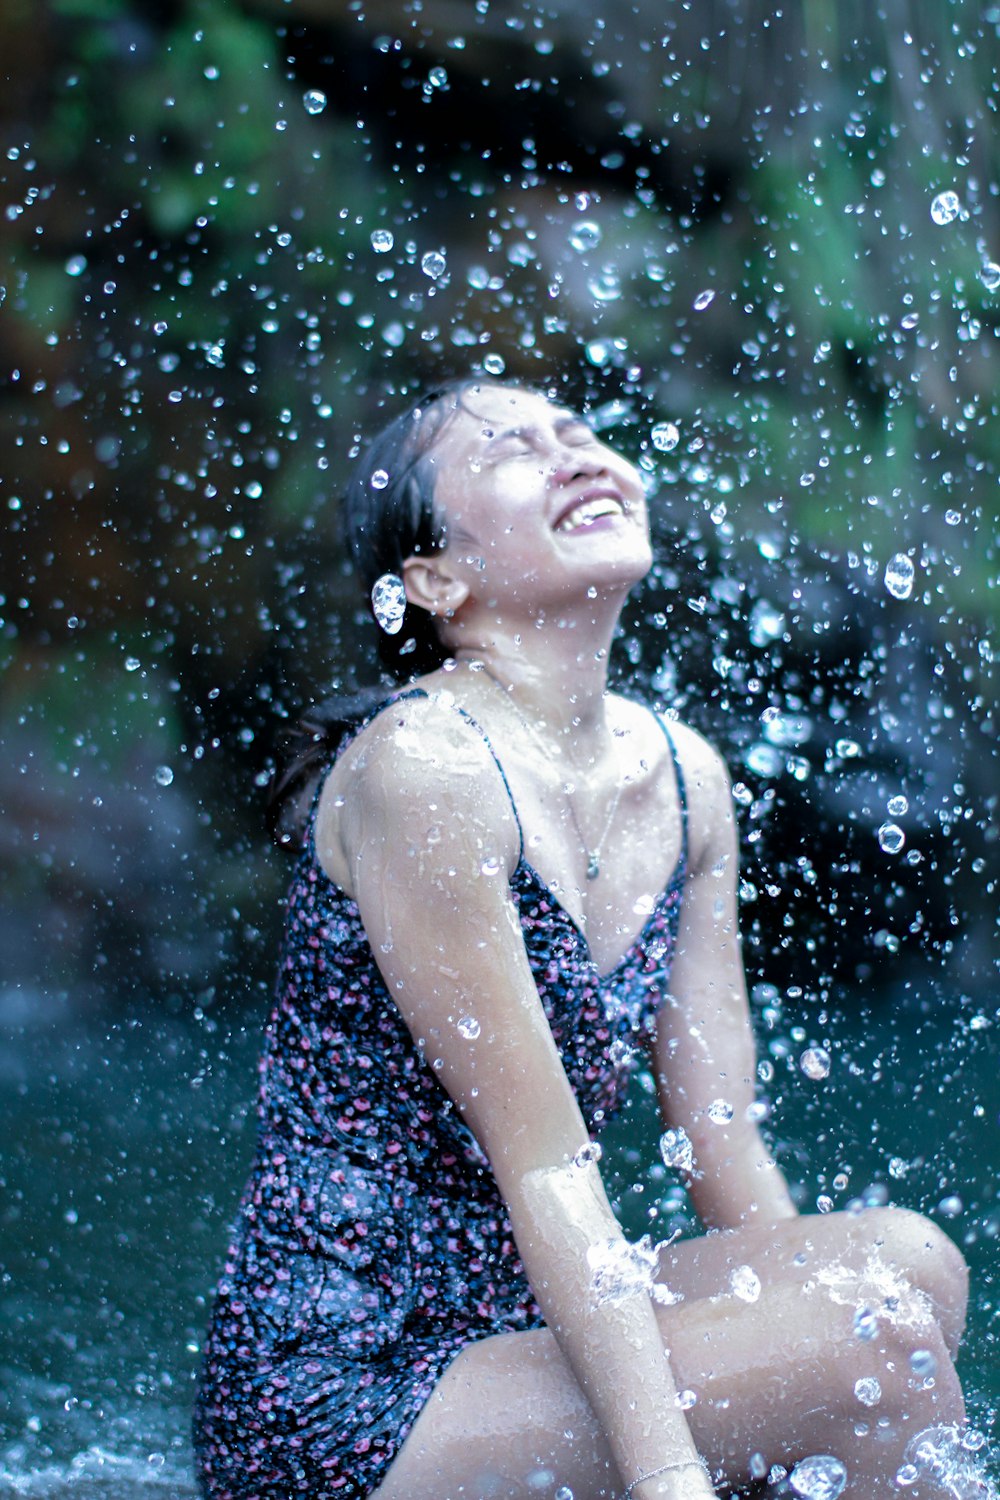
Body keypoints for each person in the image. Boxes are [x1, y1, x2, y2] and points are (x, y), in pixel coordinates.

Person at [193, 378, 971, 1500]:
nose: (574, 455)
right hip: (352, 1387)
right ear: (434, 580)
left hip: (529, 1332)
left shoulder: (687, 779)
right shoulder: (428, 769)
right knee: (868, 1347)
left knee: (902, 1267)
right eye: (513, 449)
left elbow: (723, 1147)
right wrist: (675, 1475)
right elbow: (548, 1168)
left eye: (580, 433)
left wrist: (816, 1397)